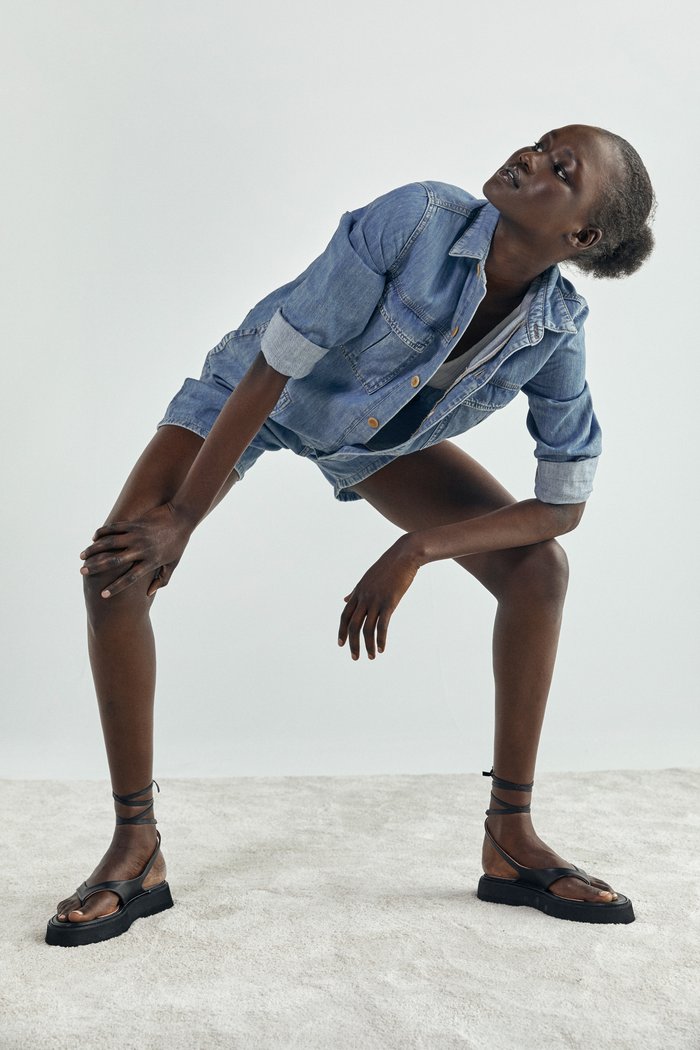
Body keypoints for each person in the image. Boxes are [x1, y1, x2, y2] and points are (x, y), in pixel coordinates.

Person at [46, 124, 655, 946]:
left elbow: (564, 502)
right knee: (116, 572)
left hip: (373, 443)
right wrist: (181, 517)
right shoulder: (418, 219)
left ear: (581, 236)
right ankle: (136, 847)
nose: (528, 157)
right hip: (256, 396)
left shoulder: (555, 331)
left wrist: (418, 546)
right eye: (539, 143)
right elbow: (279, 360)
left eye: (560, 167)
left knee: (538, 571)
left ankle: (511, 839)